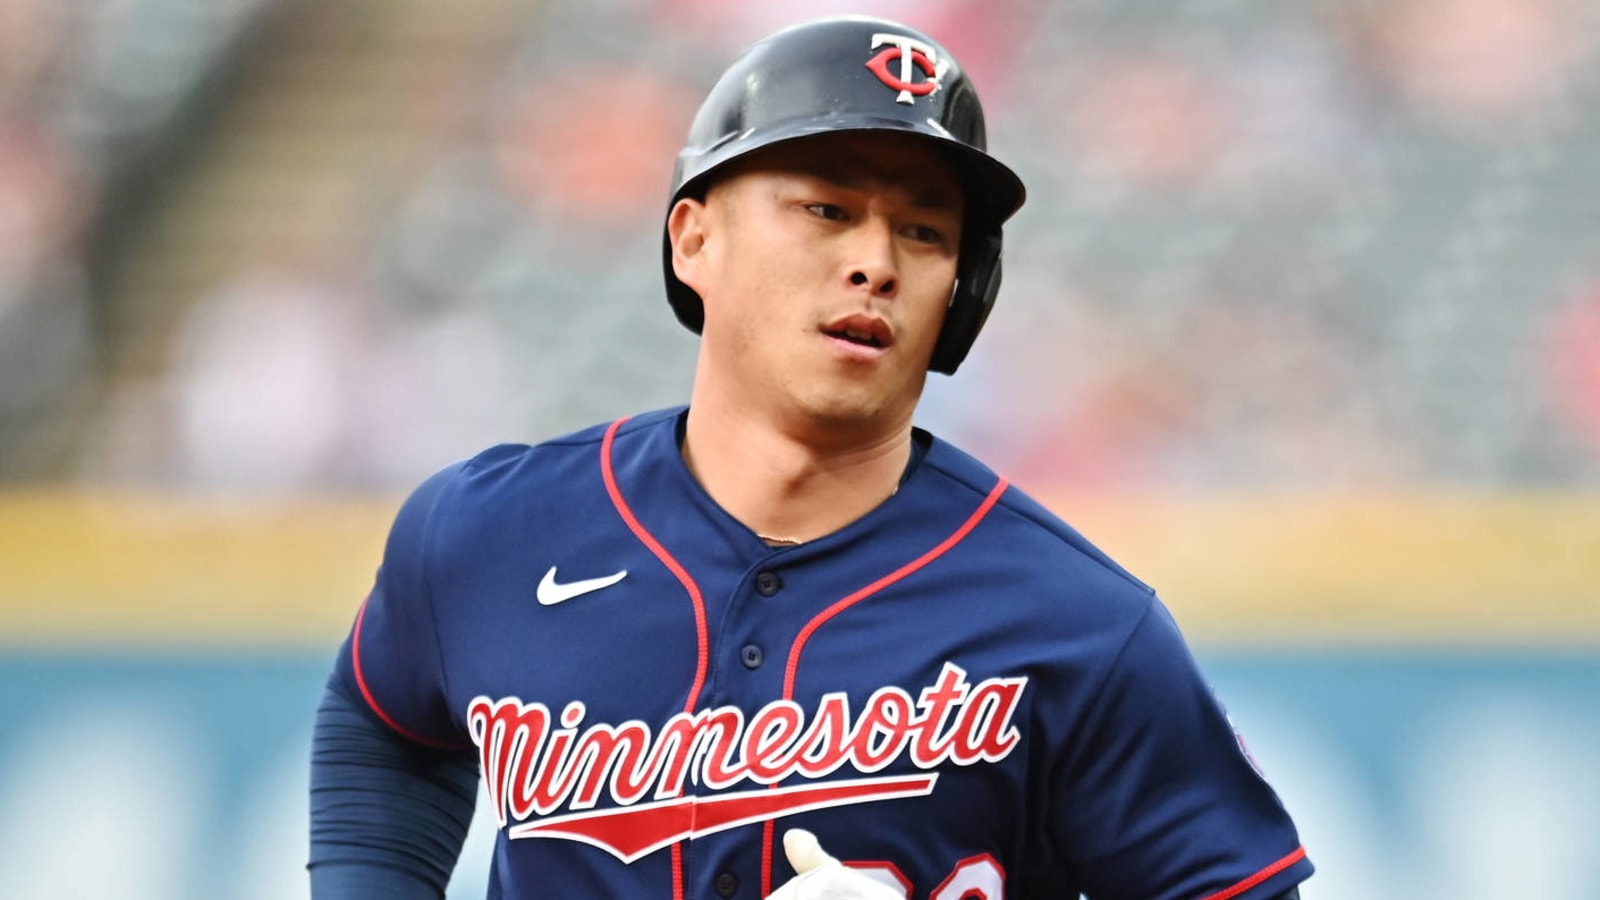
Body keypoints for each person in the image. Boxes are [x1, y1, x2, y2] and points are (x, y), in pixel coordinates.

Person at [308, 15, 1314, 900]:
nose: (876, 261)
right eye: (827, 209)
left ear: (961, 295)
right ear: (693, 240)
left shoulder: (1081, 627)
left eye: (924, 231)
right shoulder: (488, 534)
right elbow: (384, 724)